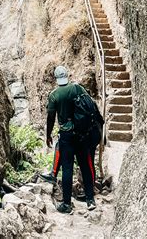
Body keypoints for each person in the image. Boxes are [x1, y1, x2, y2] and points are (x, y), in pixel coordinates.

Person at [45, 65, 98, 214]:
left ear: (56, 79)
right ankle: (90, 200)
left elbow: (50, 118)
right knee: (85, 167)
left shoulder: (54, 95)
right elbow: (90, 106)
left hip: (66, 136)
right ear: (67, 76)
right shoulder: (77, 88)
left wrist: (48, 135)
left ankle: (67, 204)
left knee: (67, 168)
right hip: (82, 135)